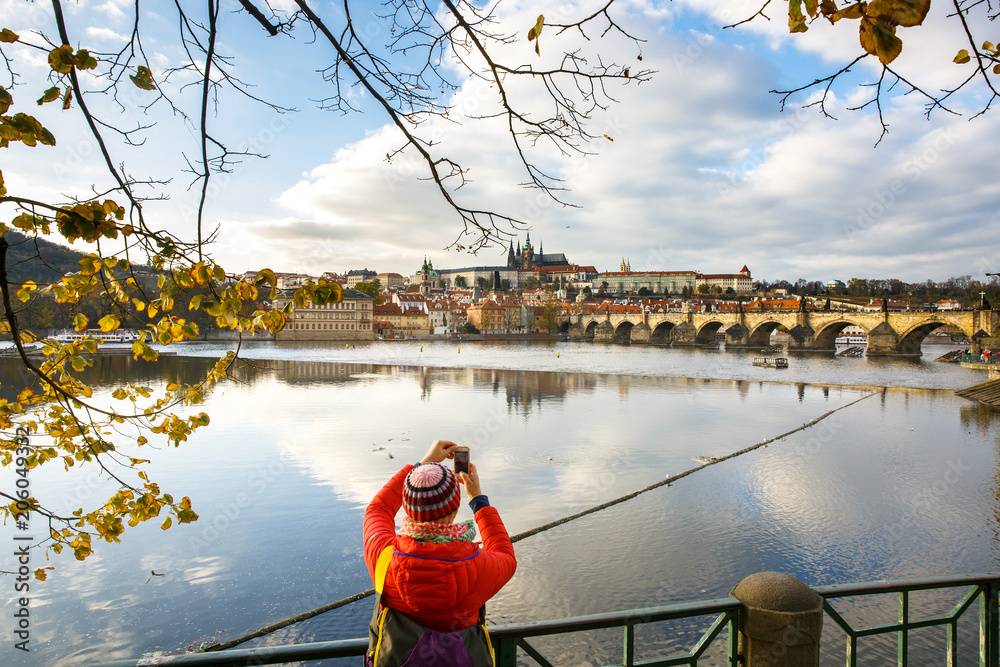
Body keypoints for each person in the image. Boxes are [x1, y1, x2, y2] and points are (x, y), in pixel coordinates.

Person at [363, 439, 517, 640]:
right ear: (455, 507)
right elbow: (505, 555)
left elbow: (378, 509)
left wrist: (421, 466)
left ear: (406, 504)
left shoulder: (382, 556)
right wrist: (478, 500)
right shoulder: (478, 566)